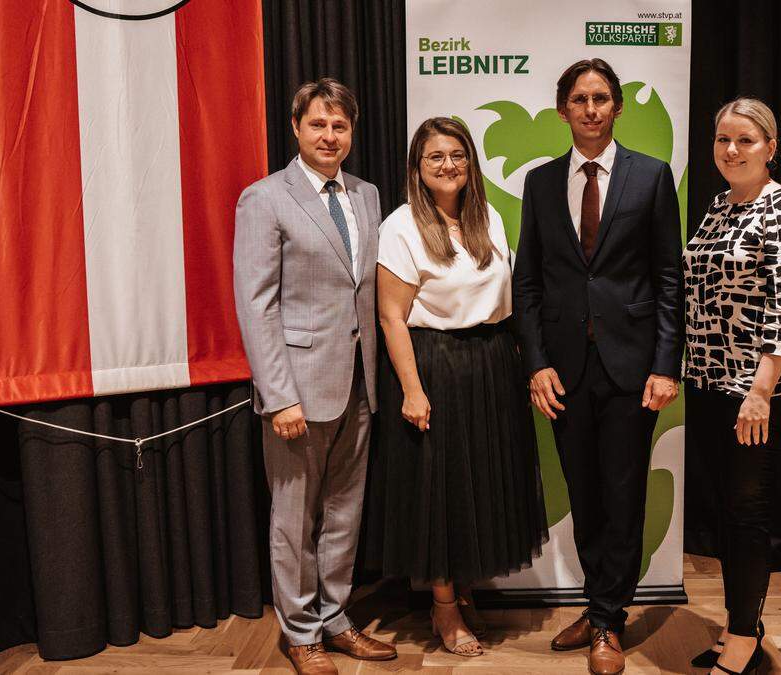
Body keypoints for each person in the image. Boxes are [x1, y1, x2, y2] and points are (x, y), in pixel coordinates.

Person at [512, 58, 684, 675]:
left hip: (633, 371)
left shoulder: (652, 177)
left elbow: (669, 279)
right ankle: (599, 601)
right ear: (563, 109)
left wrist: (666, 364)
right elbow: (527, 283)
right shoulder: (540, 183)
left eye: (602, 98)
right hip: (565, 371)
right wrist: (536, 364)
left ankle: (608, 622)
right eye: (580, 99)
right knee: (585, 495)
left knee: (622, 496)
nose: (591, 108)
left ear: (617, 107)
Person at [364, 116, 548, 658]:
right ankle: (443, 606)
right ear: (417, 169)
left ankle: (465, 589)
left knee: (482, 484)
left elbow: (508, 297)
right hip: (435, 364)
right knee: (440, 489)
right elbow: (391, 318)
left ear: (470, 162)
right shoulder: (400, 227)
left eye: (457, 155)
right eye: (435, 157)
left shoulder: (486, 217)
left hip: (491, 362)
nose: (448, 165)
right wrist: (412, 390)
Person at [233, 78, 396, 675]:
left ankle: (336, 619)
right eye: (318, 125)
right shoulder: (265, 198)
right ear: (296, 128)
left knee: (345, 511)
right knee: (294, 517)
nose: (330, 136)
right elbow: (257, 305)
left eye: (340, 126)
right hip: (297, 391)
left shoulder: (368, 194)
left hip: (360, 382)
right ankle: (300, 632)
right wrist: (278, 397)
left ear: (351, 134)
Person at [683, 97, 781, 675]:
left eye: (745, 139)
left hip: (754, 392)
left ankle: (743, 637)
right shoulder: (719, 209)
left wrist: (761, 389)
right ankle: (741, 621)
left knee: (747, 513)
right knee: (726, 511)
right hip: (709, 383)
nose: (732, 150)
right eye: (722, 140)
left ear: (771, 146)